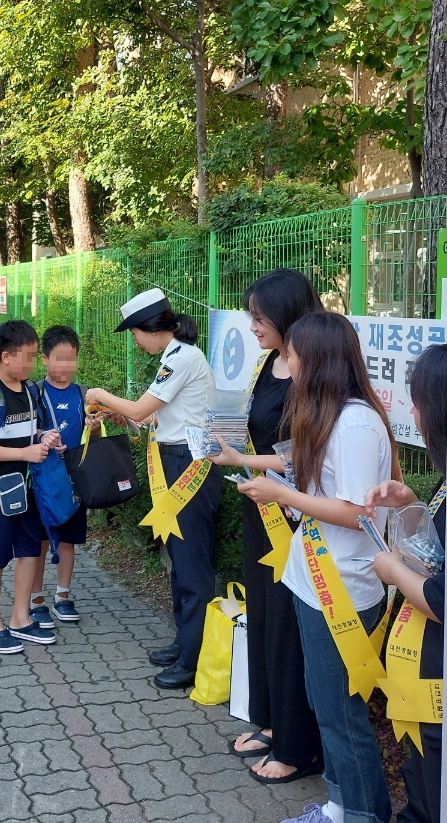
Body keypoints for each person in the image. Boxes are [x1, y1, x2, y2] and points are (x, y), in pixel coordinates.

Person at [234, 311, 395, 823]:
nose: (287, 362)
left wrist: (283, 495)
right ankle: (339, 805)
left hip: (343, 589)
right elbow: (305, 474)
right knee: (324, 702)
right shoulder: (329, 414)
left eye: (294, 353)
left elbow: (355, 513)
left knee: (341, 712)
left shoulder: (355, 424)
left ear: (318, 359)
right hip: (315, 579)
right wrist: (264, 476)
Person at [205, 269, 324, 784]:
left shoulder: (311, 371)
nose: (252, 326)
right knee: (266, 618)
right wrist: (230, 448)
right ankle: (272, 723)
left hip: (294, 515)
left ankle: (299, 746)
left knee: (289, 627)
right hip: (261, 506)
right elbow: (262, 436)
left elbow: (307, 454)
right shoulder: (269, 362)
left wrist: (249, 463)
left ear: (287, 315)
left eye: (259, 317)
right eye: (250, 317)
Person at [86, 288, 219, 690]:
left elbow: (143, 408)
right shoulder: (172, 358)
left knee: (192, 564)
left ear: (151, 328)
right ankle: (184, 642)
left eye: (134, 333)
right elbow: (155, 418)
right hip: (173, 461)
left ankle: (194, 658)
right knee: (178, 558)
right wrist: (123, 416)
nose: (134, 341)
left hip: (188, 465)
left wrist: (100, 396)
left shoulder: (183, 358)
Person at [365, 343, 447, 823]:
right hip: (425, 671)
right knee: (421, 774)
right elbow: (440, 555)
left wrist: (393, 571)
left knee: (436, 780)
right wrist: (413, 504)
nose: (411, 414)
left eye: (417, 403)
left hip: (442, 676)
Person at [0, 319, 62, 654]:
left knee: (30, 552)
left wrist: (45, 438)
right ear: (6, 356)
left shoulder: (31, 391)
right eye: (28, 356)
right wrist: (24, 453)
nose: (33, 363)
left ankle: (20, 619)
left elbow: (32, 432)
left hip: (30, 489)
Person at [29, 325, 96, 626]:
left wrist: (94, 428)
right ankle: (36, 599)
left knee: (67, 540)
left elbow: (91, 437)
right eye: (59, 358)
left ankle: (63, 596)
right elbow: (24, 432)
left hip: (72, 479)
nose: (65, 365)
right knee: (41, 540)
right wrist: (43, 437)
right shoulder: (34, 393)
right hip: (43, 480)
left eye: (71, 358)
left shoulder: (83, 394)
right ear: (44, 359)